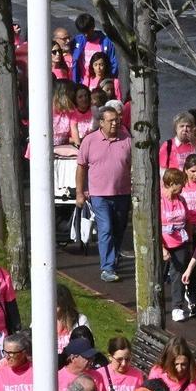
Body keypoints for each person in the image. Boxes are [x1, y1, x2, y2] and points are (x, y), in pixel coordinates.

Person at [72, 104, 132, 281]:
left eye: (117, 120)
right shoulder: (90, 141)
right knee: (105, 229)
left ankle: (113, 257)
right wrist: (79, 192)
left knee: (119, 229)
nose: (115, 123)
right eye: (111, 121)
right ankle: (107, 268)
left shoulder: (127, 139)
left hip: (122, 193)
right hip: (99, 195)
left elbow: (133, 165)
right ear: (101, 123)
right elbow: (81, 167)